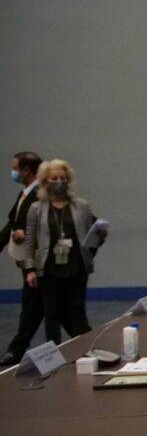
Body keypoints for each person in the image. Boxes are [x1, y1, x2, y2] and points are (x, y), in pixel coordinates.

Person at [21, 159, 105, 345]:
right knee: (52, 314)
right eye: (54, 178)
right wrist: (30, 269)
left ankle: (83, 350)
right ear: (45, 181)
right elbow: (30, 240)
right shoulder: (36, 208)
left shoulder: (82, 206)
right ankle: (54, 352)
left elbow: (91, 237)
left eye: (63, 178)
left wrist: (100, 236)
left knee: (78, 312)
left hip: (76, 267)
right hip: (48, 269)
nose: (59, 181)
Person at [2, 151, 44, 365]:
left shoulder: (39, 194)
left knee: (33, 307)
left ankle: (16, 349)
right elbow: (13, 223)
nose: (13, 172)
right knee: (37, 307)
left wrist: (25, 235)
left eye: (15, 168)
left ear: (26, 170)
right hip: (28, 261)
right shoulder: (25, 194)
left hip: (37, 261)